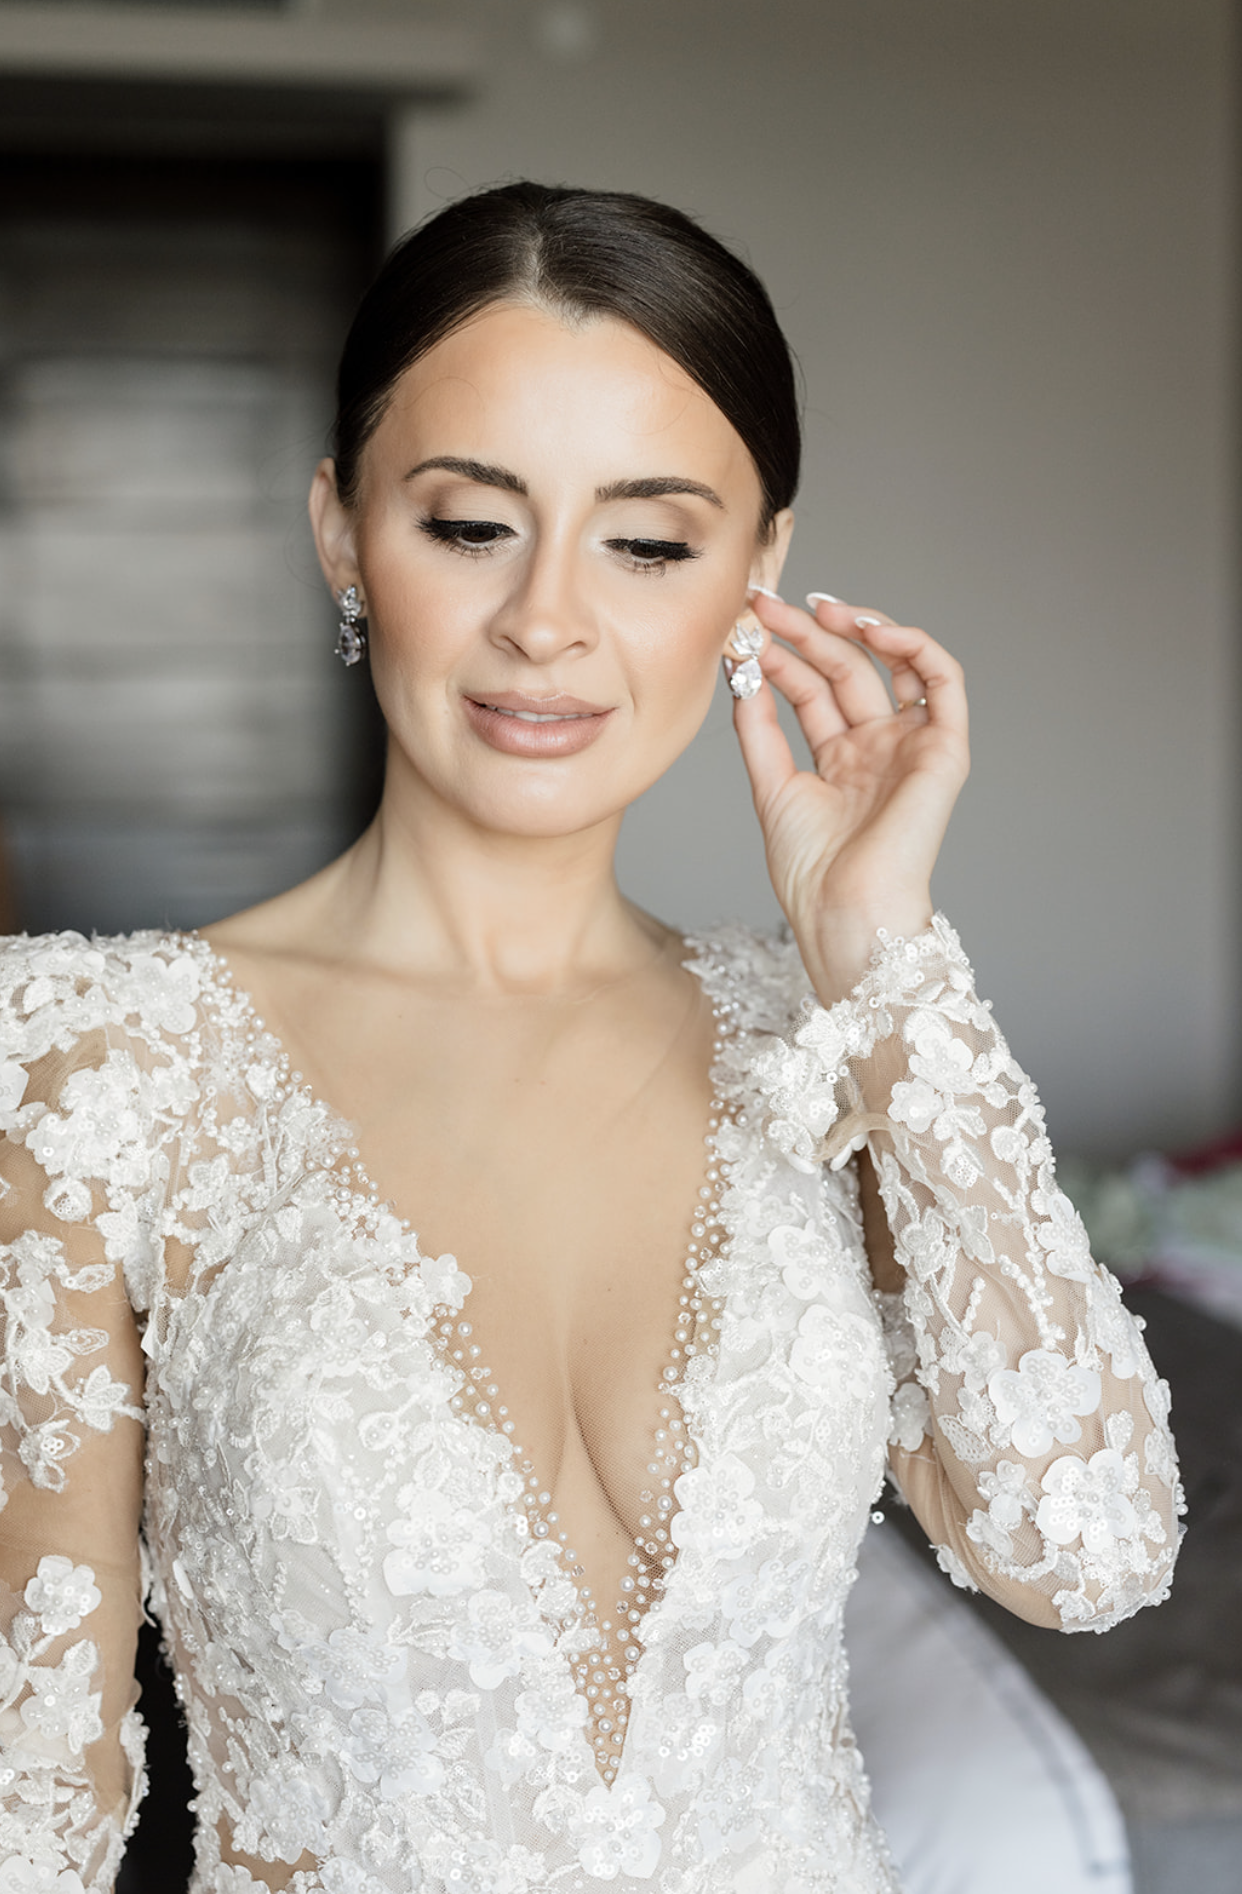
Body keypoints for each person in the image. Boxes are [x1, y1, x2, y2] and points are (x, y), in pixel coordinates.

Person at [0, 183, 1180, 1894]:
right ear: (341, 532)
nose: (547, 618)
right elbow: (35, 1787)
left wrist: (879, 953)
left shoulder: (831, 1042)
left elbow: (1084, 1548)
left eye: (646, 541)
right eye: (470, 523)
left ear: (756, 570)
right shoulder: (96, 1061)